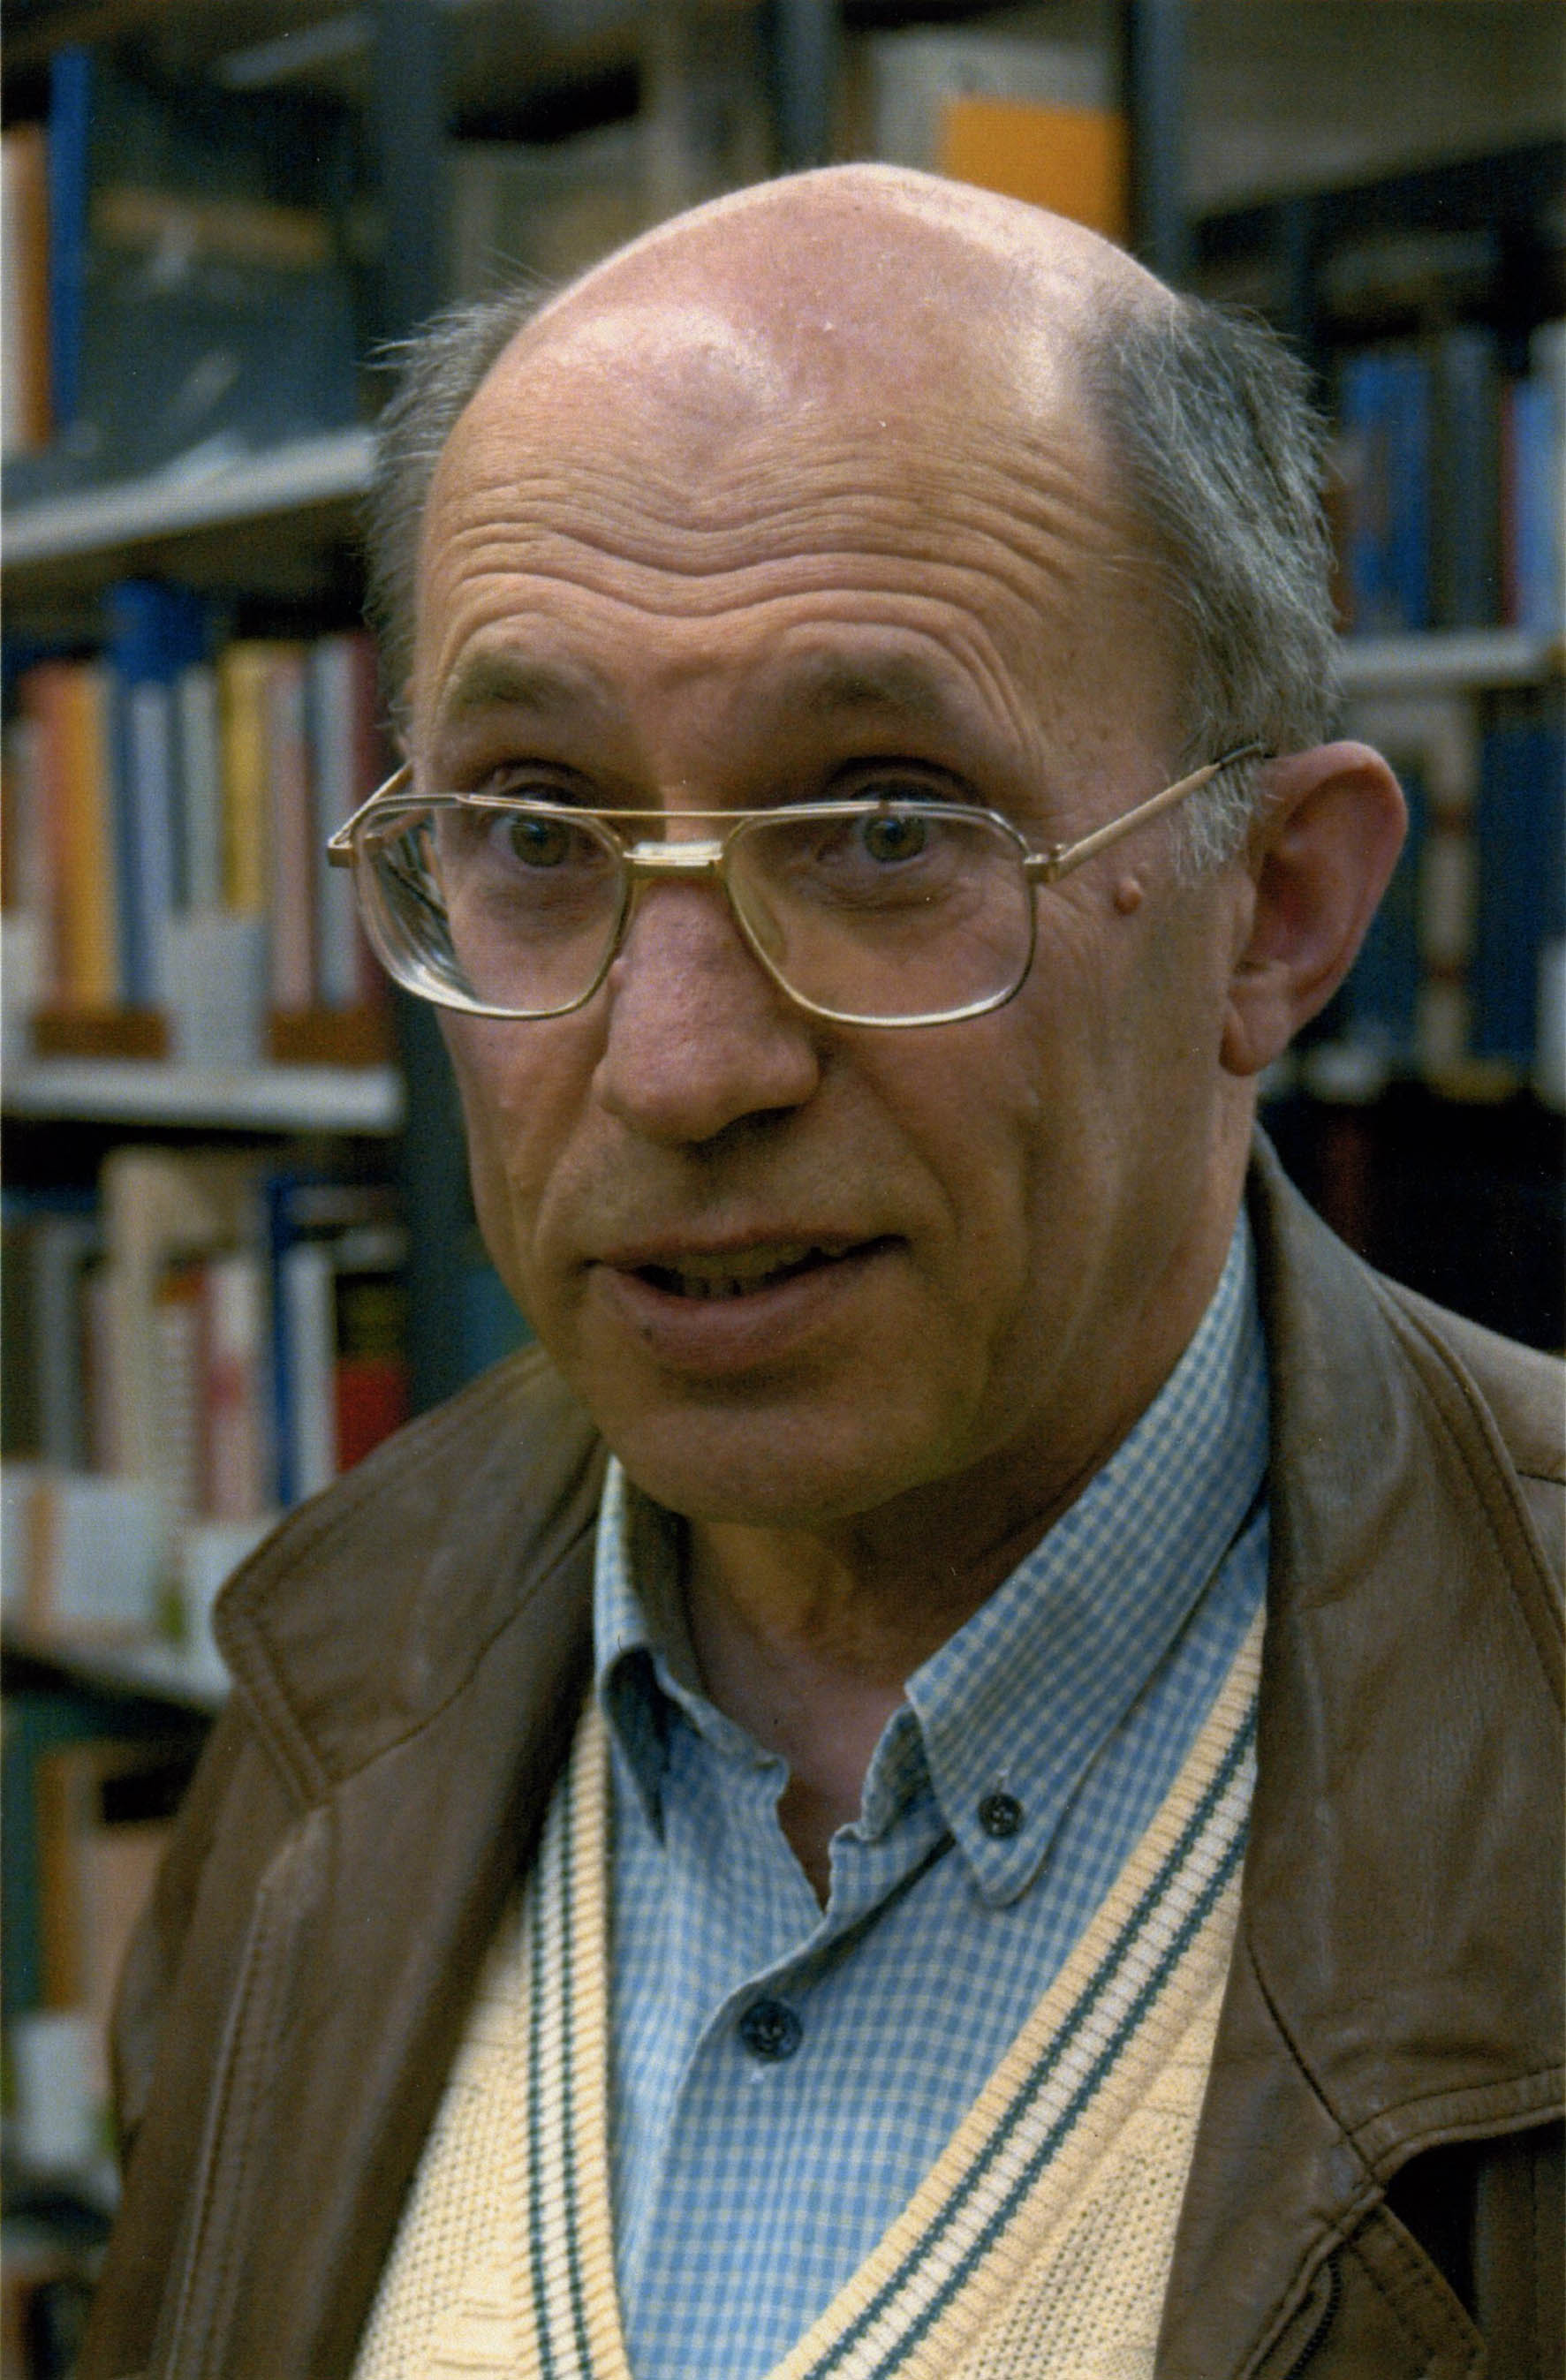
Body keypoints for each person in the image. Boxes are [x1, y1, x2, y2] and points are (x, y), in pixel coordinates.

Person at [82, 166, 1561, 2380]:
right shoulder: (331, 1692)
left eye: (885, 828)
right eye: (534, 832)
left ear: (1273, 909)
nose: (677, 1063)